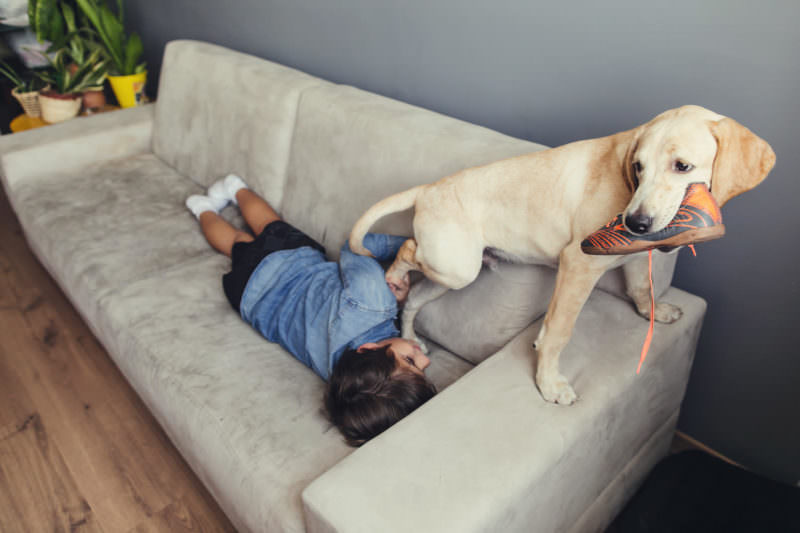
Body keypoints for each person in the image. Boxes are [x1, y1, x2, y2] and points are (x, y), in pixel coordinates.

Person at [185, 175, 437, 446]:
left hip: (284, 263)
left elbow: (356, 246)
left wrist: (414, 249)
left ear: (367, 350)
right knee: (236, 244)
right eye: (418, 367)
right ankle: (203, 209)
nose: (425, 359)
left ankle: (229, 191)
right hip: (250, 301)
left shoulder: (372, 300)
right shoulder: (341, 376)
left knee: (264, 226)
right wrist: (397, 301)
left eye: (411, 361)